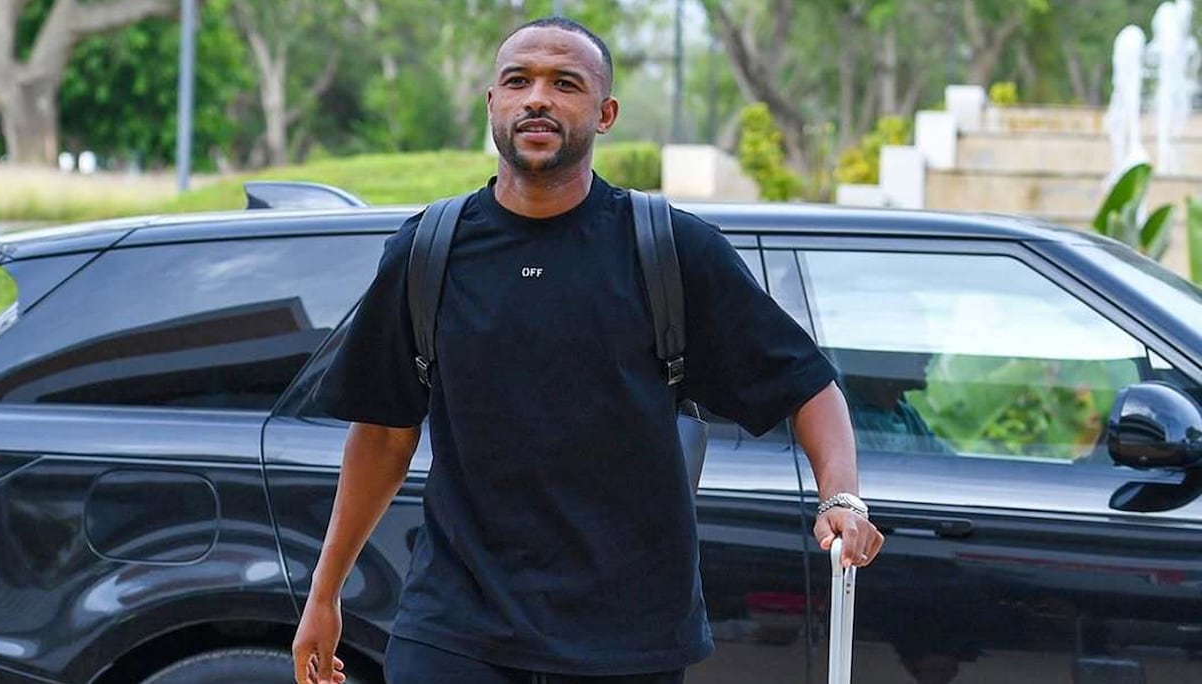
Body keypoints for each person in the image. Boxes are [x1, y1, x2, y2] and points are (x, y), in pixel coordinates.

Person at [291, 16, 884, 684]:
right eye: (518, 81)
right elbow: (381, 435)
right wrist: (324, 592)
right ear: (492, 103)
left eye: (565, 84)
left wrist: (841, 498)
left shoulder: (671, 250)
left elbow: (808, 387)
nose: (537, 98)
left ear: (605, 114)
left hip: (630, 640)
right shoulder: (428, 252)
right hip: (456, 630)